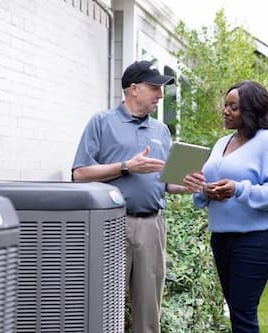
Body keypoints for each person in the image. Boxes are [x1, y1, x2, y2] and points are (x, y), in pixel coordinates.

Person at [72, 60, 186, 333]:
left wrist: (189, 184)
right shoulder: (102, 122)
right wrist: (125, 166)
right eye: (154, 88)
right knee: (103, 305)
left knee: (148, 311)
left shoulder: (161, 131)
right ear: (133, 89)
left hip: (151, 226)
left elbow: (167, 183)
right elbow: (79, 174)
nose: (160, 94)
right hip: (111, 226)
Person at [183, 80, 268, 333]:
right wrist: (205, 191)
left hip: (258, 239)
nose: (225, 111)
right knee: (236, 310)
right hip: (222, 237)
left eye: (234, 107)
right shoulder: (222, 143)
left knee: (243, 311)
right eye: (225, 105)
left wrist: (238, 188)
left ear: (251, 110)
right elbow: (206, 183)